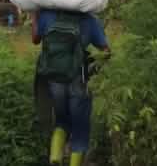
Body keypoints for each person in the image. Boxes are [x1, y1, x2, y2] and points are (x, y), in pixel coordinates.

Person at [32, 9, 111, 166]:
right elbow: (106, 50)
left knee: (61, 120)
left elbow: (35, 40)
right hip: (79, 80)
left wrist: (34, 17)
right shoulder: (89, 20)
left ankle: (55, 157)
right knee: (80, 128)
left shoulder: (48, 15)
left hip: (54, 78)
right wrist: (95, 65)